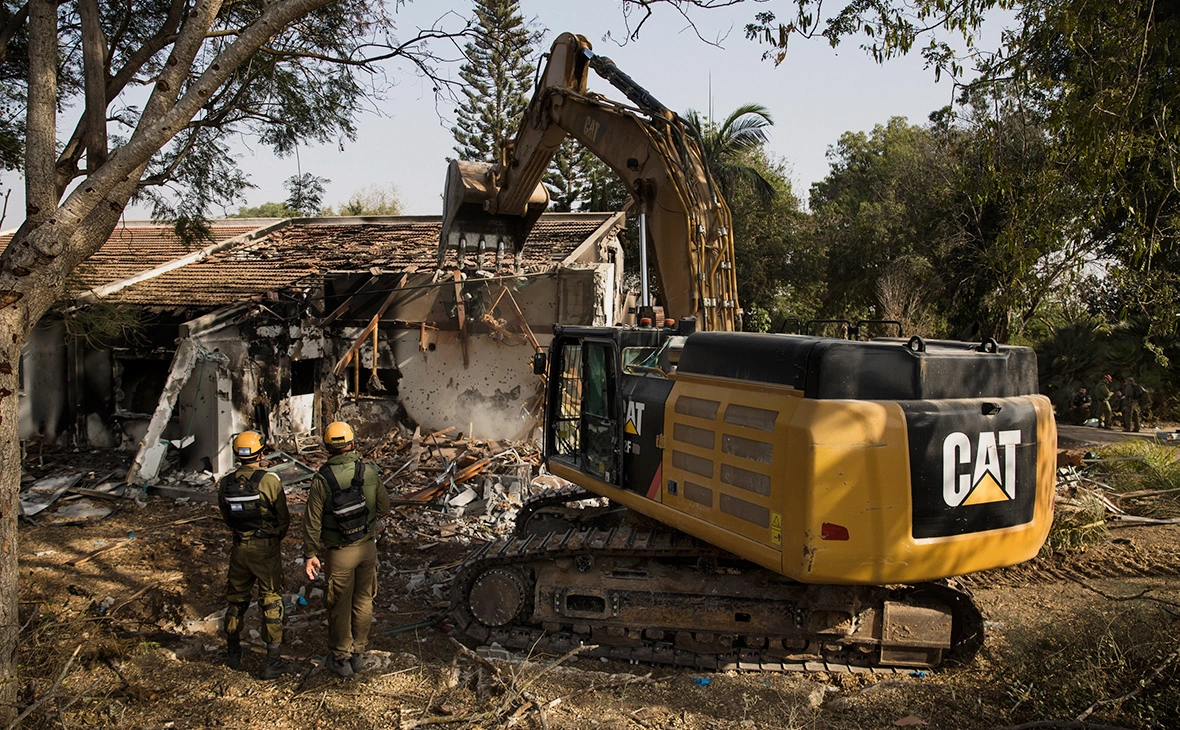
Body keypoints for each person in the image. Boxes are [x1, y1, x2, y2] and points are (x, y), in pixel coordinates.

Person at [303, 421, 389, 677]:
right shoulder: (370, 472)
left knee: (339, 604)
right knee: (363, 600)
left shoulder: (321, 480)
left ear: (327, 447)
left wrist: (309, 554)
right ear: (352, 443)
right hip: (366, 549)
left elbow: (312, 521)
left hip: (338, 552)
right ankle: (358, 653)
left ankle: (340, 658)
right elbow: (384, 507)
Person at [217, 431, 302, 679]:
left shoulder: (226, 483)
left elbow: (226, 515)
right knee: (271, 601)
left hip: (239, 549)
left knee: (236, 600)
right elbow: (283, 518)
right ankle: (273, 661)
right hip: (265, 550)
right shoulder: (269, 481)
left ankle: (233, 654)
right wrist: (273, 538)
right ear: (261, 453)